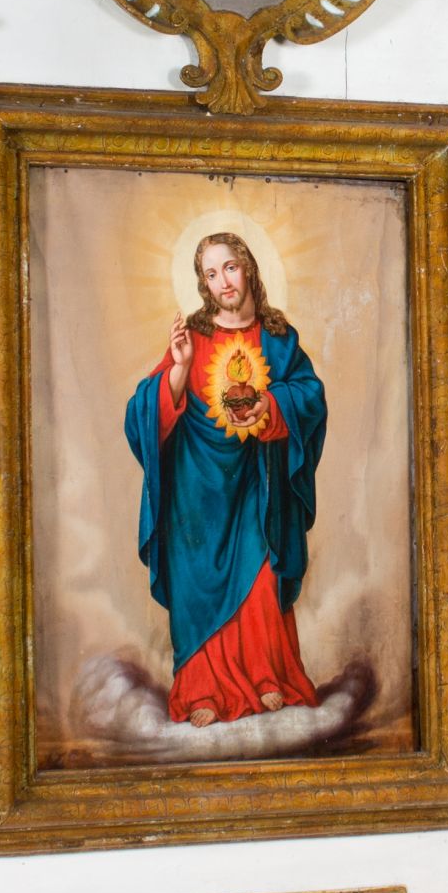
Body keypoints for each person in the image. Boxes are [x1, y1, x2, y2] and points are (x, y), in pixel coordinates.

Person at [123, 229, 329, 725]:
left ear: (248, 268)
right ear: (203, 283)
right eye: (211, 273)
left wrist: (271, 404)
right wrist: (179, 370)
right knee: (197, 586)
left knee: (261, 578)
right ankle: (202, 691)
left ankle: (266, 676)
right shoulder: (193, 338)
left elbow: (310, 394)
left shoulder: (278, 338)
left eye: (230, 267)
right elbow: (141, 414)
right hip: (195, 493)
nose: (223, 281)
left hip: (257, 482)